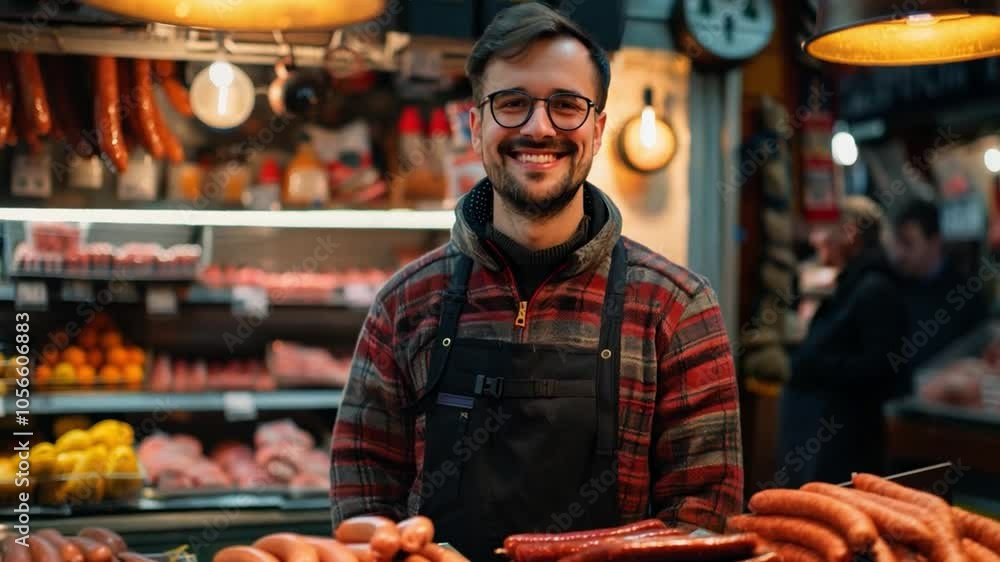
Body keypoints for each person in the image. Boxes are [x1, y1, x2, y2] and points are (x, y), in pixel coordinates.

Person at [330, 4, 743, 559]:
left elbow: (705, 513)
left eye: (566, 105)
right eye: (512, 103)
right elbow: (363, 491)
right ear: (476, 127)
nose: (538, 127)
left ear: (597, 130)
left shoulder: (675, 306)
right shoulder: (407, 302)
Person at [777, 196, 909, 487]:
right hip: (828, 444)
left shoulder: (875, 289)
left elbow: (880, 369)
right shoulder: (853, 284)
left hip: (845, 449)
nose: (815, 239)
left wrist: (813, 363)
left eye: (824, 230)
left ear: (850, 233)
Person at [887, 197, 987, 371]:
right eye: (898, 243)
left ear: (934, 243)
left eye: (908, 243)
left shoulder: (966, 296)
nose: (899, 253)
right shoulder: (893, 286)